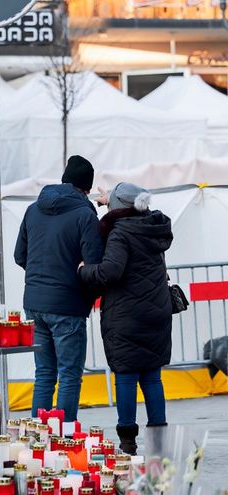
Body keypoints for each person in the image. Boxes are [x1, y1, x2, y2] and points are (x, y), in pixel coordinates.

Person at [78, 183, 173, 455]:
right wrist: (113, 198)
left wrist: (85, 270)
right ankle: (158, 443)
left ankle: (128, 441)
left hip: (127, 314)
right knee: (153, 378)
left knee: (127, 377)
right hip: (156, 311)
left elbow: (111, 272)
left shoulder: (120, 232)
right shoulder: (153, 227)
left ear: (119, 206)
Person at [14, 155, 103, 423]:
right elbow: (94, 265)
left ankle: (37, 438)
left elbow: (20, 256)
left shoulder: (33, 209)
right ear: (86, 188)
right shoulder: (85, 215)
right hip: (68, 305)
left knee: (44, 374)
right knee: (69, 375)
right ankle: (63, 441)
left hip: (34, 303)